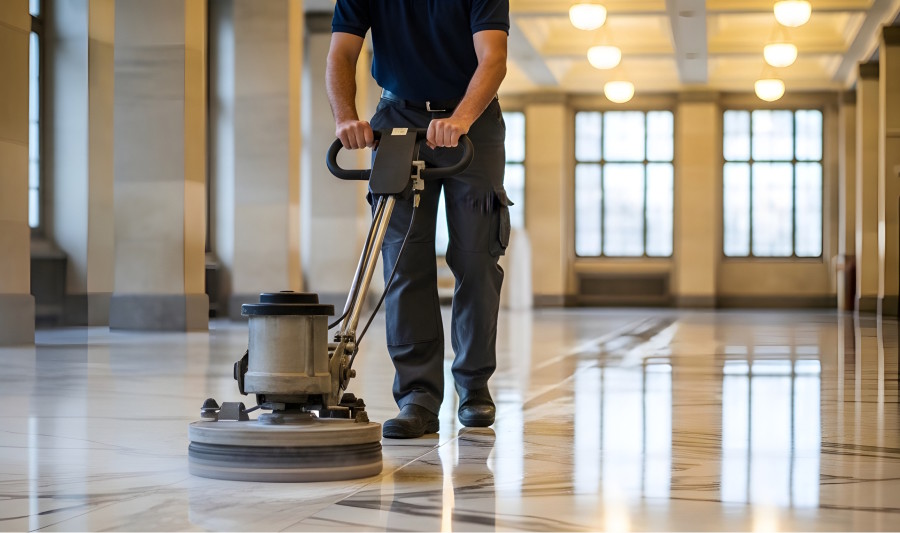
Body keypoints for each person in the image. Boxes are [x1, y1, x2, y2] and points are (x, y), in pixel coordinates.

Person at [326, 0, 511, 439]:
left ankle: (474, 386)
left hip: (472, 118)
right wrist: (346, 118)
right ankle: (418, 397)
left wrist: (460, 119)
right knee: (403, 261)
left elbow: (493, 58)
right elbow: (341, 54)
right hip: (397, 117)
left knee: (477, 257)